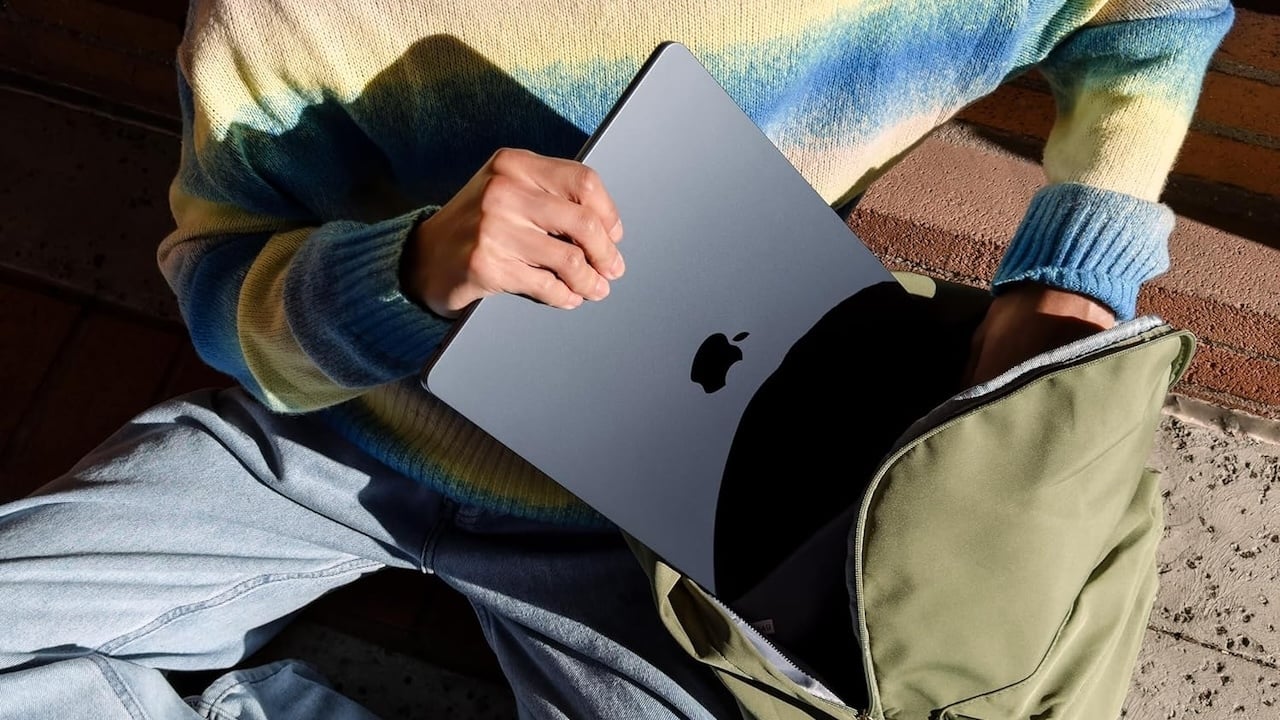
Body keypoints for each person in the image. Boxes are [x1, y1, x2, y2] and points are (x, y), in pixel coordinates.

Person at [0, 1, 1234, 718]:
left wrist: (1071, 266)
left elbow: (1153, 17)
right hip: (334, 445)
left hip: (658, 529)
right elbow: (220, 287)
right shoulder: (290, 16)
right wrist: (406, 272)